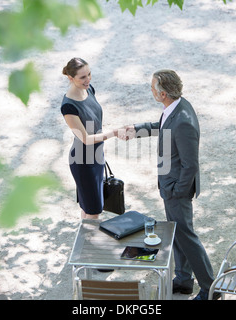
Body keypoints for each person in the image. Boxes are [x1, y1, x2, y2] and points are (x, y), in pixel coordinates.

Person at [124, 70, 219, 300]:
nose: (151, 90)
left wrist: (176, 191)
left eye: (152, 88)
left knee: (186, 235)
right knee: (178, 233)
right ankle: (184, 279)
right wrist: (136, 130)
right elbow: (163, 125)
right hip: (170, 186)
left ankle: (210, 288)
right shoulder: (176, 106)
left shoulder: (184, 122)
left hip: (177, 189)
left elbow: (190, 165)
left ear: (163, 93)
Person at [61, 57, 120, 220]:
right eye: (82, 77)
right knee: (94, 210)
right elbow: (85, 139)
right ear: (70, 78)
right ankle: (89, 244)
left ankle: (84, 242)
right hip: (83, 162)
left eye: (89, 74)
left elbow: (95, 121)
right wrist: (114, 133)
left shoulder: (89, 89)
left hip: (97, 156)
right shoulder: (68, 106)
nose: (88, 80)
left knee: (89, 207)